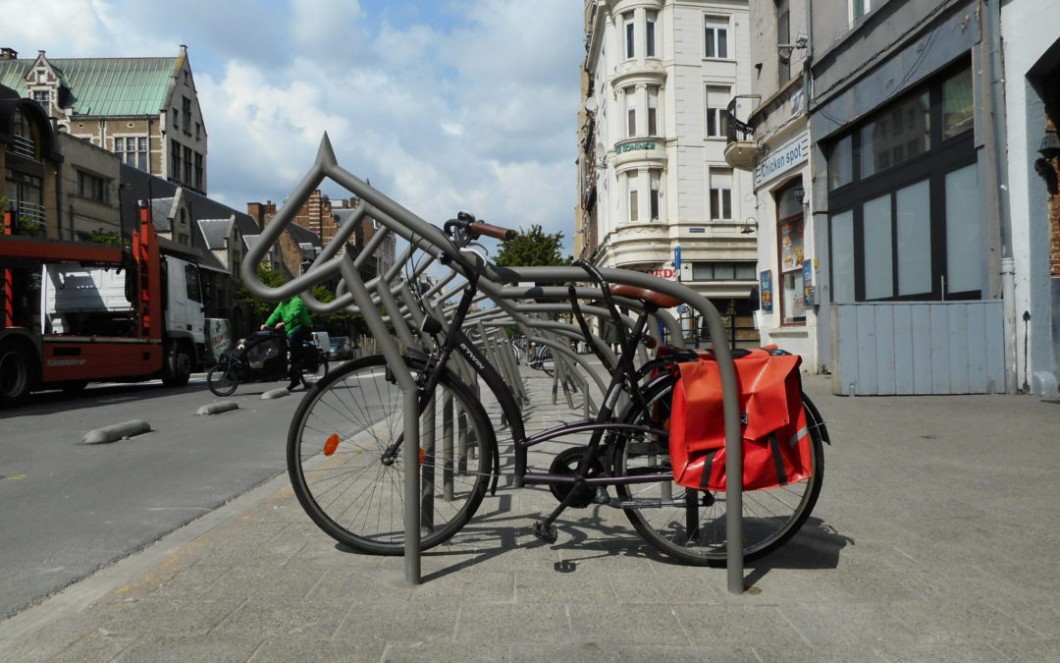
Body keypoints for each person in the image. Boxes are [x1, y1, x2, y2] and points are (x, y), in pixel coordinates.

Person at [261, 294, 314, 391]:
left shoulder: (297, 301)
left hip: (303, 326)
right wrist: (267, 323)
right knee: (284, 342)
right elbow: (275, 314)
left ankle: (300, 355)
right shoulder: (282, 303)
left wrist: (284, 322)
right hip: (291, 329)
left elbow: (294, 313)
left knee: (293, 340)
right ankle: (295, 378)